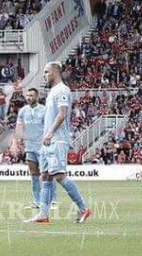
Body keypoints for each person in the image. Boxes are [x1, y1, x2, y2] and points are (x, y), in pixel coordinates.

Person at [26, 62, 91, 224]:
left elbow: (62, 114)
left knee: (59, 175)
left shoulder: (62, 90)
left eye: (46, 72)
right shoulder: (52, 92)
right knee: (45, 177)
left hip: (57, 139)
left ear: (55, 72)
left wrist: (50, 133)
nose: (44, 75)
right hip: (48, 141)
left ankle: (84, 208)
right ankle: (43, 214)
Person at [11, 88, 46, 210]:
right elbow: (19, 127)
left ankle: (51, 201)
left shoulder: (44, 110)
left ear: (37, 97)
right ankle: (37, 201)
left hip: (43, 148)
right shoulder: (23, 111)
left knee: (46, 175)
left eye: (31, 95)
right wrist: (15, 142)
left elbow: (49, 128)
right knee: (34, 175)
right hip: (30, 147)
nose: (28, 97)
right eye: (27, 95)